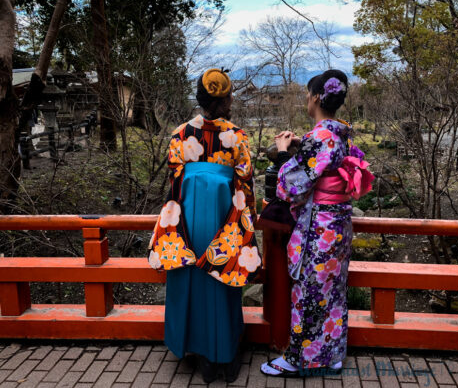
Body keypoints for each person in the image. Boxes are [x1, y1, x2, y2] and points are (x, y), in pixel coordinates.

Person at [148, 68, 261, 383]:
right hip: (226, 219)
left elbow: (174, 181)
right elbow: (246, 184)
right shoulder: (237, 137)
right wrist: (248, 219)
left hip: (187, 221)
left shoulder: (181, 135)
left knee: (189, 283)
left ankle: (195, 353)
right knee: (222, 281)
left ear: (199, 98)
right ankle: (223, 354)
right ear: (226, 99)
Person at [260, 70, 373, 377]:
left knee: (309, 291)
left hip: (319, 227)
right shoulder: (340, 133)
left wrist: (284, 153)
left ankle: (298, 360)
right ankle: (333, 355)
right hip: (340, 223)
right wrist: (302, 144)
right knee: (333, 291)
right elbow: (323, 161)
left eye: (307, 95)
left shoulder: (317, 138)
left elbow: (291, 186)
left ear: (315, 98)